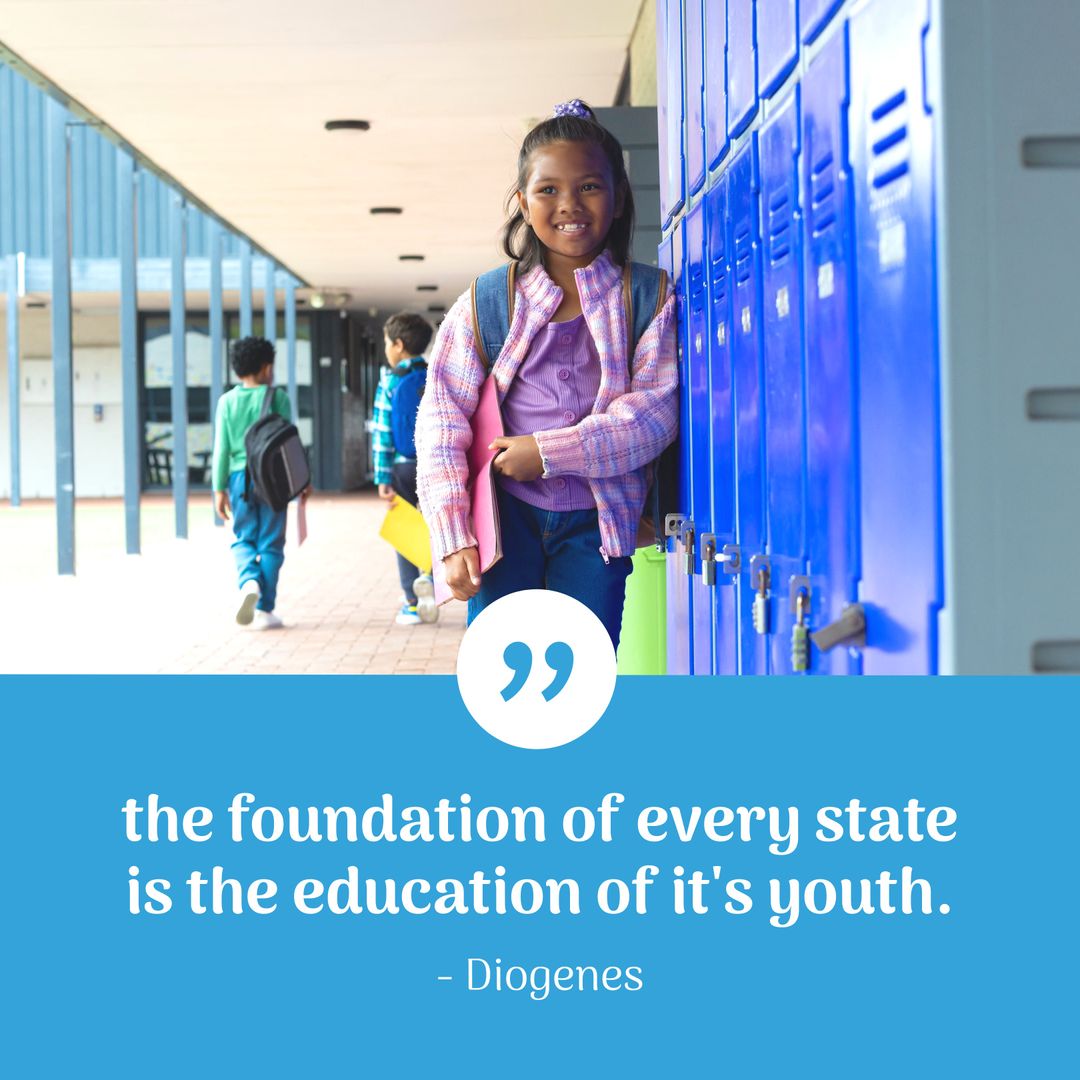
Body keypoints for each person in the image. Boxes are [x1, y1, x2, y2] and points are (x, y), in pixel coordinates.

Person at [415, 99, 678, 649]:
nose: (569, 205)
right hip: (504, 522)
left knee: (581, 667)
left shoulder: (648, 296)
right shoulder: (487, 300)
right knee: (502, 670)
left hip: (597, 530)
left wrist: (549, 451)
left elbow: (652, 418)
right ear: (522, 202)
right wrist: (451, 533)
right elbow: (441, 422)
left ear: (619, 196)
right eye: (548, 190)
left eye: (589, 186)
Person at [212, 335, 307, 629]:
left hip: (239, 480)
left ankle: (248, 581)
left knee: (243, 538)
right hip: (272, 479)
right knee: (271, 543)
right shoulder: (278, 398)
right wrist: (302, 482)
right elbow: (289, 444)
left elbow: (221, 449)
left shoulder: (226, 402)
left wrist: (218, 489)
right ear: (267, 368)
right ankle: (265, 609)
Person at [373, 311, 439, 626]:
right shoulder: (435, 374)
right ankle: (429, 576)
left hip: (401, 466)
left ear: (398, 345)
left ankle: (411, 603)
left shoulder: (390, 380)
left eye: (387, 342)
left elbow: (383, 431)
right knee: (433, 525)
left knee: (404, 531)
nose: (386, 348)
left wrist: (382, 475)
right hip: (433, 464)